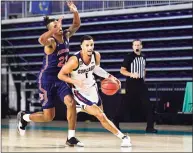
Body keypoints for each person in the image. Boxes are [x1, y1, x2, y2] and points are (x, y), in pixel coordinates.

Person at [17, 1, 84, 147]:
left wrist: (75, 11)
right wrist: (53, 31)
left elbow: (76, 25)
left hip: (60, 78)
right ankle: (25, 117)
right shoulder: (51, 42)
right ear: (51, 29)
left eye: (58, 25)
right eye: (54, 26)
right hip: (46, 80)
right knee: (49, 117)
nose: (58, 27)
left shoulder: (65, 35)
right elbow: (40, 40)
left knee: (71, 103)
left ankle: (71, 137)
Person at [58, 35, 132, 147]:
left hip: (93, 88)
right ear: (81, 46)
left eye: (91, 45)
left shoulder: (96, 55)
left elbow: (96, 68)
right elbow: (61, 75)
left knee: (100, 115)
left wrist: (109, 76)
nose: (90, 47)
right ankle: (124, 137)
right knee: (101, 115)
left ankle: (80, 108)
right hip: (80, 91)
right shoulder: (74, 60)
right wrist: (75, 81)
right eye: (87, 45)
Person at [113, 39, 158, 133]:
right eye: (135, 45)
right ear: (132, 47)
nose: (137, 47)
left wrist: (143, 78)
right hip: (131, 83)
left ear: (141, 46)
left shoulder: (144, 57)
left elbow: (144, 69)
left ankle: (150, 127)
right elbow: (122, 70)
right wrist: (131, 74)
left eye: (138, 45)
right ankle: (115, 123)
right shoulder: (129, 57)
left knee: (148, 105)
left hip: (141, 83)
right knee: (124, 105)